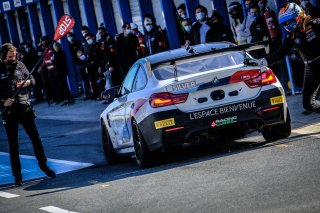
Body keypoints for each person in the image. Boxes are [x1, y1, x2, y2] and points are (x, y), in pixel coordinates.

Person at [0, 43, 56, 186]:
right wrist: (3, 101)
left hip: (25, 107)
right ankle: (17, 176)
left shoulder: (20, 65)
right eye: (10, 57)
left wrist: (26, 83)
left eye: (14, 56)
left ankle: (44, 166)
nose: (13, 59)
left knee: (36, 139)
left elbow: (33, 80)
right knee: (14, 145)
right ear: (3, 57)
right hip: (9, 112)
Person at [250, 3, 320, 114]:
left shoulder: (313, 23)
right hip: (310, 67)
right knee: (308, 104)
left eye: (289, 20)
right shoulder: (290, 37)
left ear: (297, 15)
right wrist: (262, 61)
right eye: (285, 22)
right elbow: (280, 54)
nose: (287, 24)